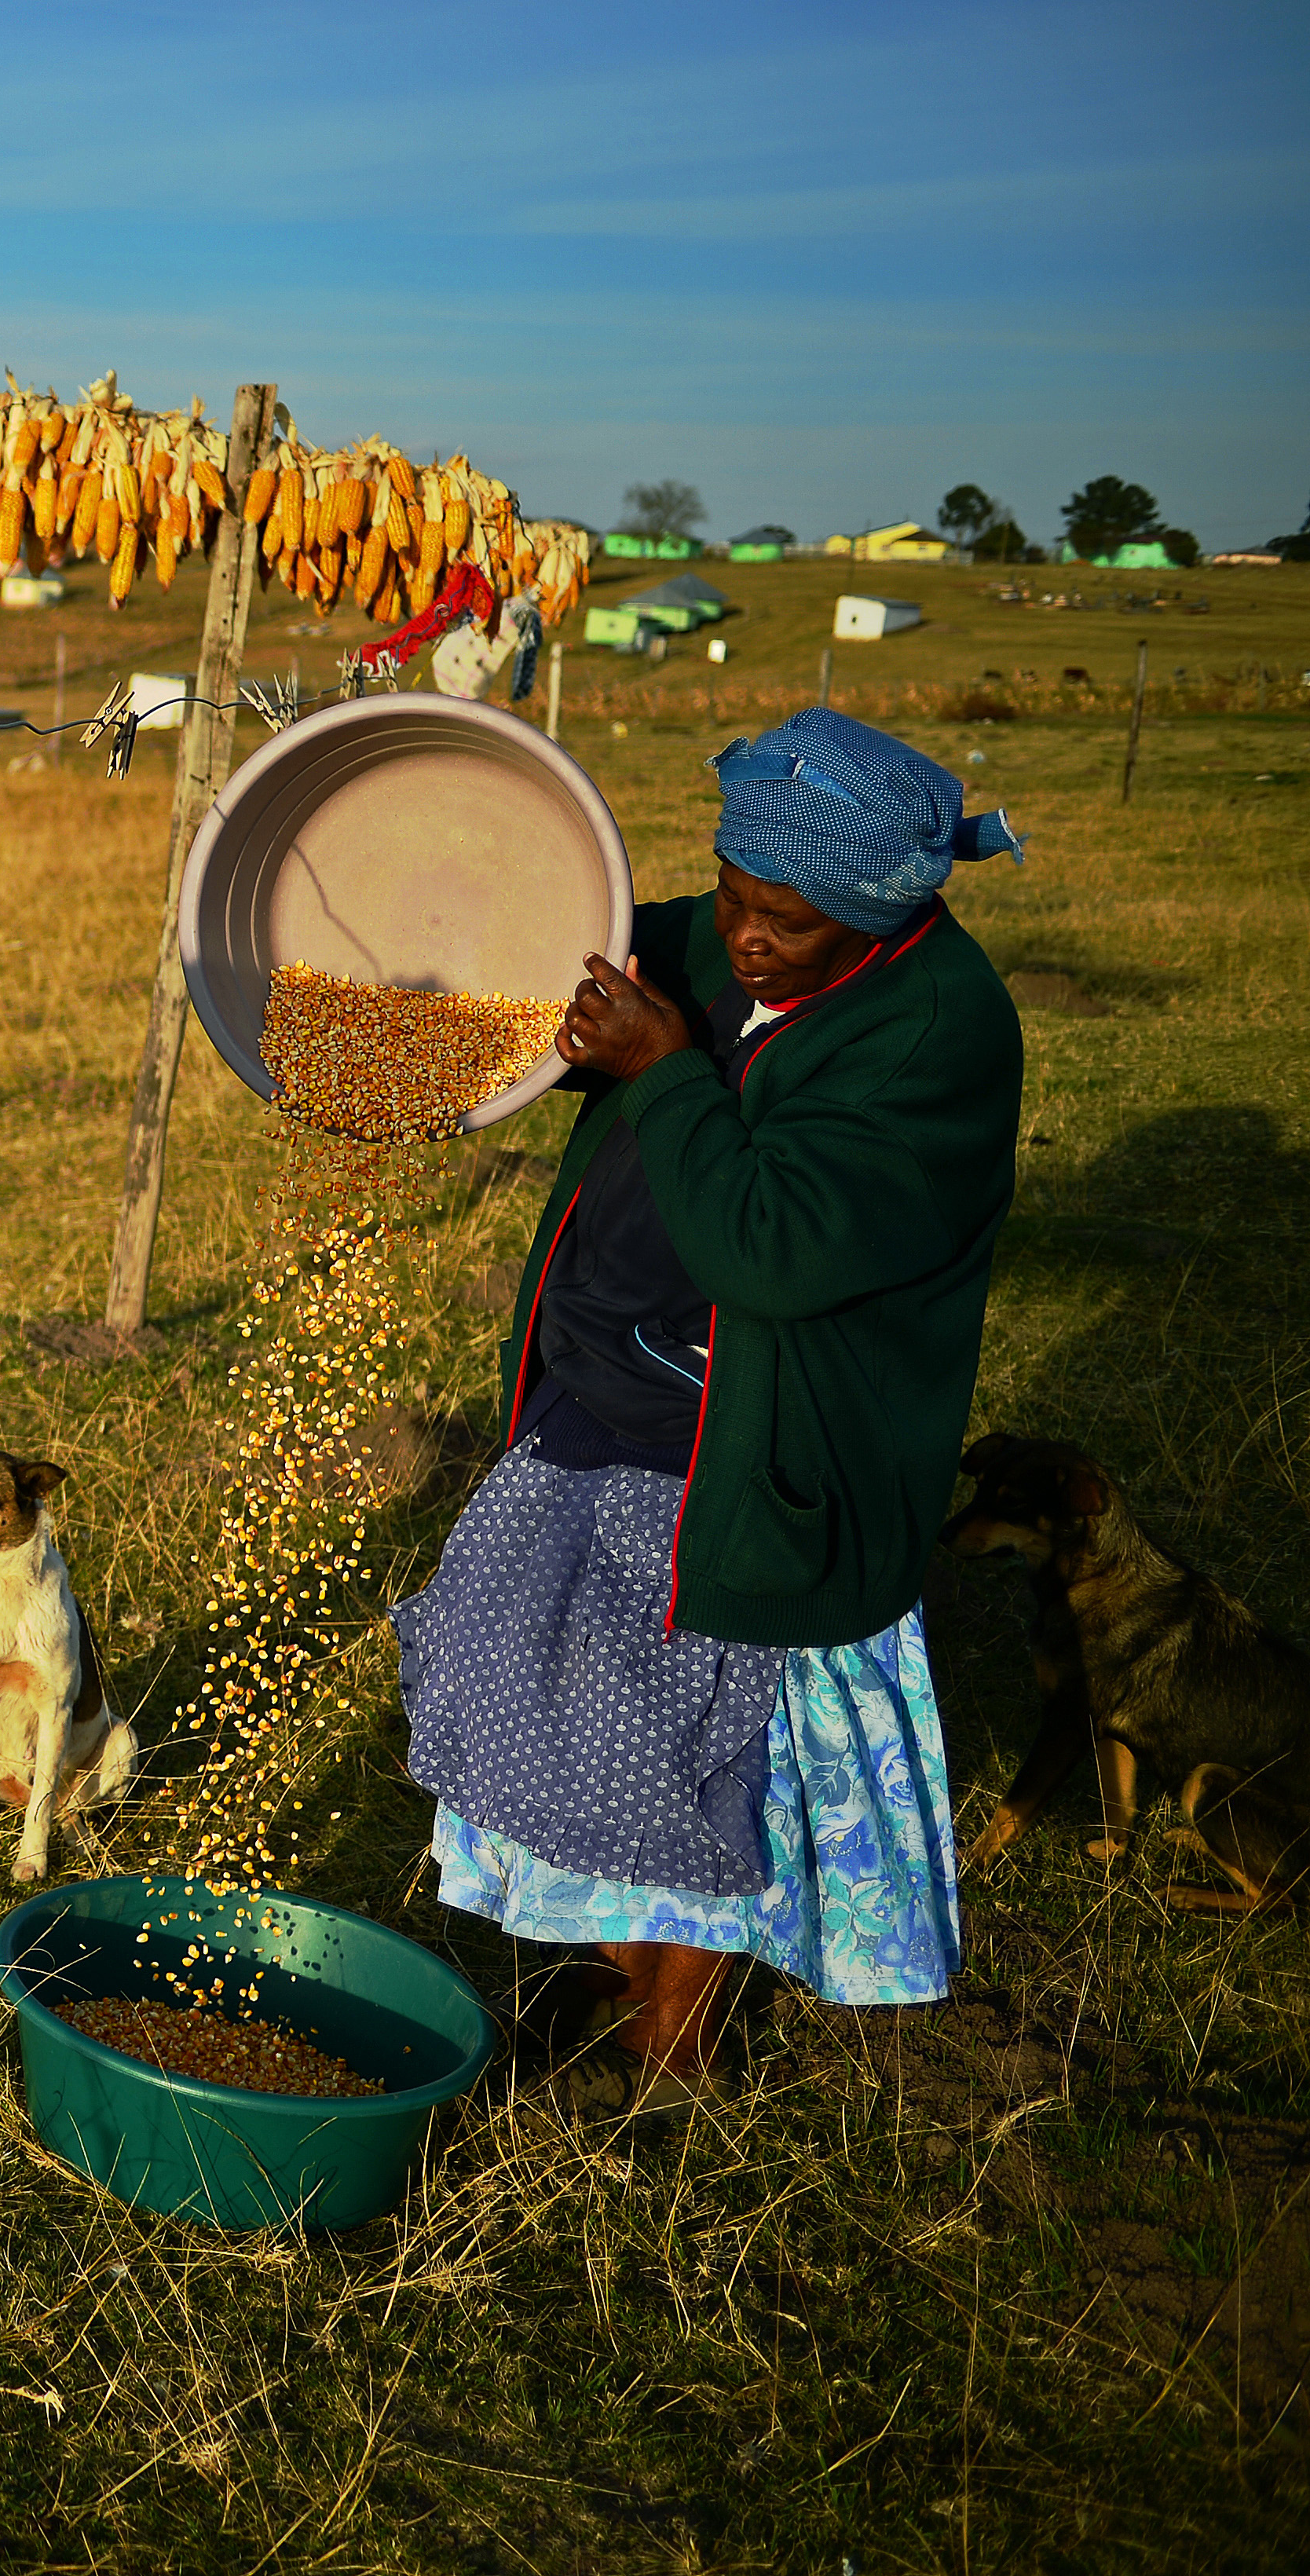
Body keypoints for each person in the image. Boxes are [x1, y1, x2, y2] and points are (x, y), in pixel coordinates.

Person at [395, 708, 1027, 2106]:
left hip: (754, 1443)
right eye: (734, 897)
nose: (743, 941)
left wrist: (665, 1070)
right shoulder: (712, 940)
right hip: (610, 1381)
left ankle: (671, 2047)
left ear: (876, 914)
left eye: (785, 926)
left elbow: (773, 1251)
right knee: (524, 1673)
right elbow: (565, 935)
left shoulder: (935, 1036)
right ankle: (607, 1966)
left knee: (698, 1744)